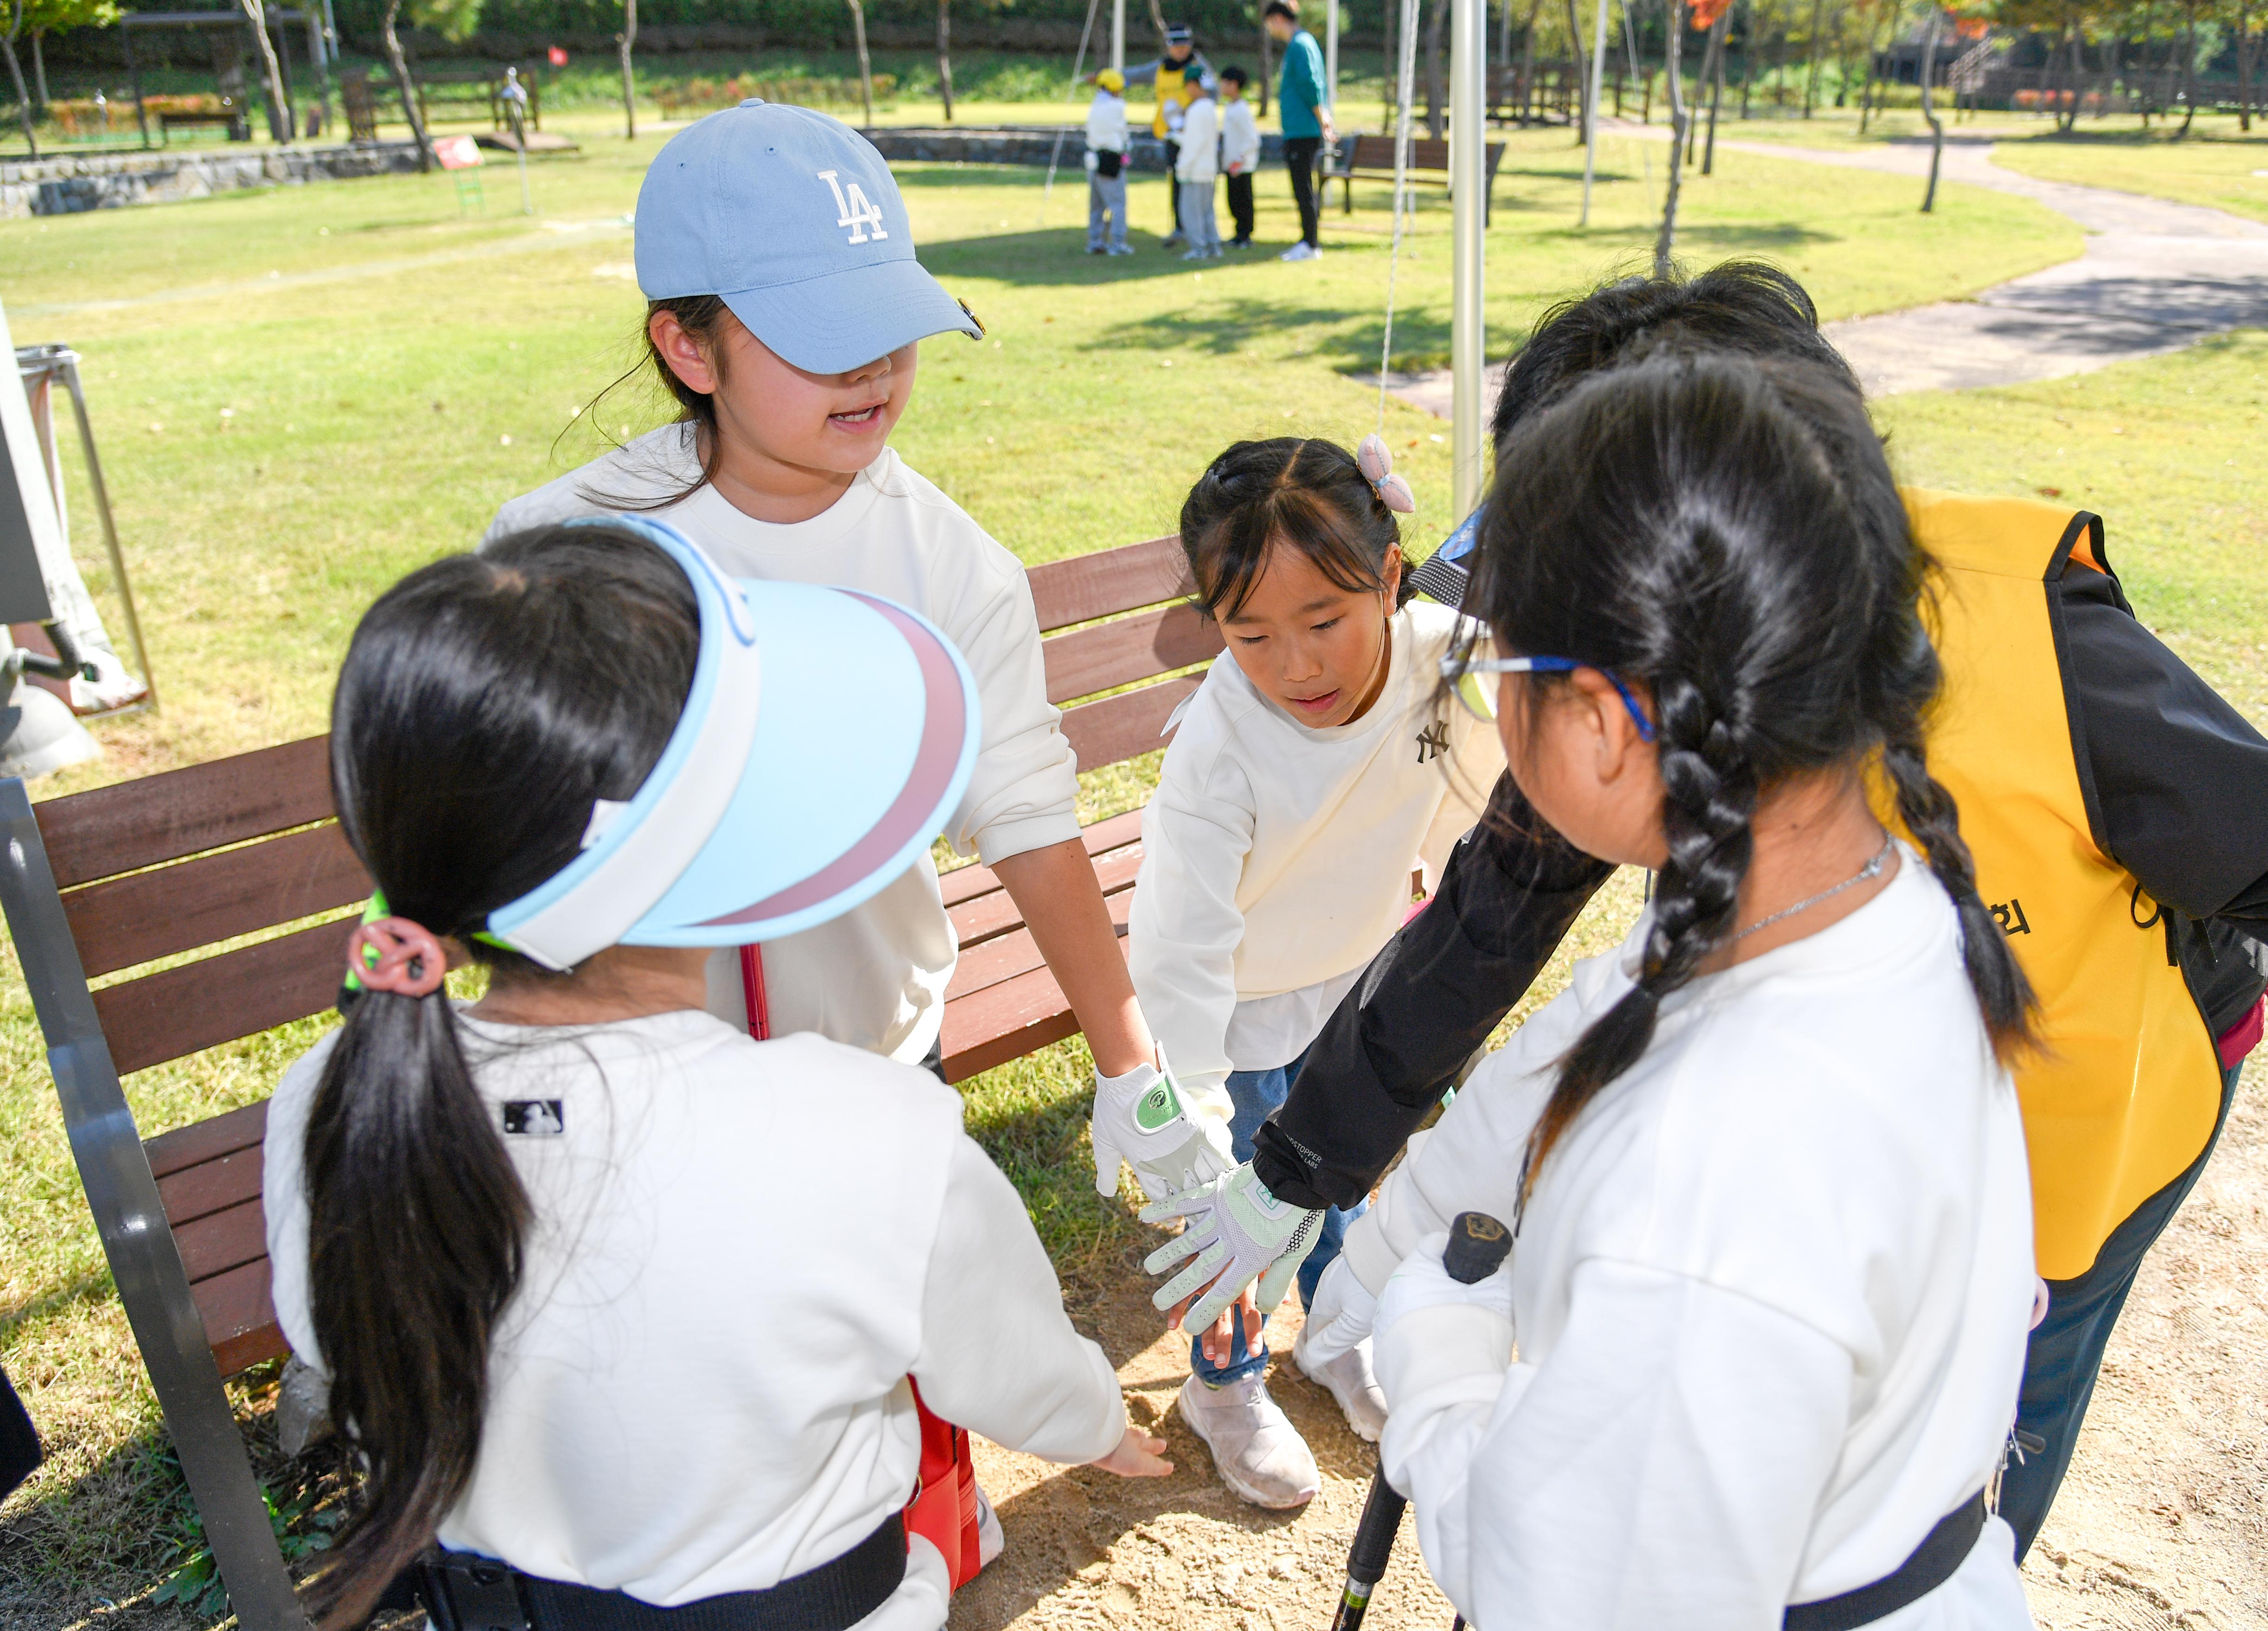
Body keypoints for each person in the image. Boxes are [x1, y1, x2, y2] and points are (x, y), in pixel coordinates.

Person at [1160, 262, 2268, 1559]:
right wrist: (1295, 1171)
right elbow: (1491, 923)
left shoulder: (2010, 633)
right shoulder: (1671, 706)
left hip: (2090, 1127)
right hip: (1919, 1156)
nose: (1508, 682)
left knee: (1964, 1463)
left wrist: (1437, 1357)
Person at [266, 520, 1170, 1628]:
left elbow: (324, 1336)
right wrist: (1095, 1425)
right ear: (705, 841)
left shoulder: (329, 1096)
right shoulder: (870, 1135)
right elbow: (1009, 1368)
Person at [1343, 351, 2042, 1627]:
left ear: (1606, 724)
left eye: (1498, 671)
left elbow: (1561, 1592)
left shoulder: (1707, 1178)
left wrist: (1436, 1353)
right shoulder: (1884, 905)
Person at [489, 103, 1231, 1220]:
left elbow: (1027, 818)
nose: (875, 366)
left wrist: (1131, 1068)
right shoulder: (559, 555)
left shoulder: (951, 565)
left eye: (888, 321)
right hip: (643, 1093)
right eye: (816, 333)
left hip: (881, 1063)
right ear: (688, 346)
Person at [1131, 436, 1501, 1508]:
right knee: (1240, 1202)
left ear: (1389, 577)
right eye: (1250, 634)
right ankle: (1223, 1380)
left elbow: (1472, 784)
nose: (1294, 664)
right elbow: (1177, 950)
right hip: (1238, 1002)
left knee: (1340, 1176)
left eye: (1324, 623)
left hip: (1355, 970)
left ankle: (1334, 1333)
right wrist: (1187, 1107)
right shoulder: (1219, 747)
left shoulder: (1442, 655)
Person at [1122, 24, 1209, 247]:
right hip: (1170, 135)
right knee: (1177, 181)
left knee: (1197, 183)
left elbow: (1213, 91)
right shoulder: (1161, 67)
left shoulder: (1199, 67)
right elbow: (1135, 74)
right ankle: (1180, 227)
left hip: (1193, 134)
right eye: (1176, 46)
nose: (1181, 50)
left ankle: (1200, 229)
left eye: (1185, 45)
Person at [1262, 0, 1331, 261]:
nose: (1270, 29)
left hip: (1303, 130)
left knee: (1303, 188)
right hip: (1299, 129)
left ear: (1278, 19)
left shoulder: (1300, 44)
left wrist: (1321, 117)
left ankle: (1310, 244)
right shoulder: (1302, 42)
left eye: (1269, 23)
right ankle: (1308, 241)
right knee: (1303, 187)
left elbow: (1310, 83)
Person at [1084, 67, 1134, 255]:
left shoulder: (1095, 105)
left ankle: (1095, 241)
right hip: (1111, 159)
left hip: (1093, 158)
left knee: (1096, 205)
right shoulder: (1117, 106)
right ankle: (1118, 243)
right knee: (1118, 204)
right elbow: (1123, 134)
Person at [1173, 72, 1223, 260]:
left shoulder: (1196, 110)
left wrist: (1182, 167)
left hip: (1194, 170)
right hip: (1208, 169)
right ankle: (1213, 246)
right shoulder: (1210, 108)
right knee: (1207, 211)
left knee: (1191, 213)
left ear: (1194, 85)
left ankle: (1198, 248)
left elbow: (1193, 143)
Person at [1218, 66, 1261, 248]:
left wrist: (1239, 159)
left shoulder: (1242, 110)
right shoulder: (1231, 108)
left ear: (1234, 85)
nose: (1221, 87)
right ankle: (1238, 234)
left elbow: (1252, 139)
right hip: (1232, 164)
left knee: (1244, 201)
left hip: (1241, 165)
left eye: (1225, 83)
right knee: (1233, 200)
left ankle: (1245, 235)